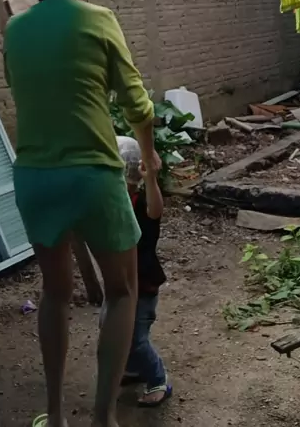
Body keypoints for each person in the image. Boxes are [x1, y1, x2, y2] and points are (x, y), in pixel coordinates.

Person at [3, 0, 159, 427]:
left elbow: (19, 88)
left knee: (55, 292)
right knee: (121, 291)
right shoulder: (99, 19)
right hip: (92, 176)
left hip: (34, 178)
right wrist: (149, 157)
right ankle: (103, 418)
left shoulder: (15, 29)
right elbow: (138, 104)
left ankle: (54, 415)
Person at [114, 136, 171, 407]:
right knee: (114, 329)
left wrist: (151, 179)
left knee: (136, 339)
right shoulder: (115, 201)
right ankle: (134, 368)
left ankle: (158, 379)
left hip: (143, 283)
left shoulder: (141, 201)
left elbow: (156, 209)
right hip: (121, 282)